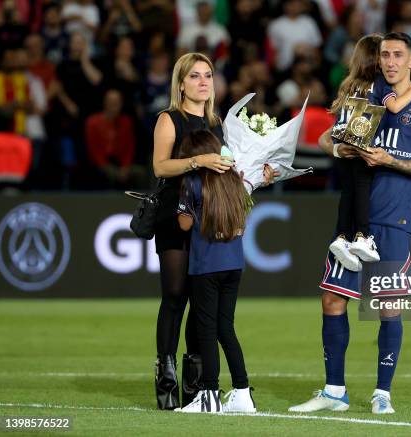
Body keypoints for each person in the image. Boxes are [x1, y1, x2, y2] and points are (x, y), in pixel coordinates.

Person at [289, 32, 411, 415]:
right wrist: (341, 147)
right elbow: (327, 137)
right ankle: (334, 391)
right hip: (354, 220)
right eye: (385, 55)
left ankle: (382, 393)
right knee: (332, 300)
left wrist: (386, 160)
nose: (390, 61)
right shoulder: (370, 93)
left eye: (397, 55)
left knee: (388, 306)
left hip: (394, 219)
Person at [152, 52, 234, 410]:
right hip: (174, 216)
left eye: (208, 75)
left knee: (202, 301)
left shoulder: (218, 124)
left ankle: (194, 377)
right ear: (181, 83)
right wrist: (199, 160)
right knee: (175, 296)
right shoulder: (169, 119)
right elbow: (160, 166)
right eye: (195, 76)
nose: (203, 82)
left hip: (207, 221)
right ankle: (166, 373)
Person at [327, 34, 411, 272]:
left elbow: (334, 123)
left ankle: (342, 239)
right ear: (377, 59)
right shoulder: (378, 83)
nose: (389, 62)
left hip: (343, 146)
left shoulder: (350, 83)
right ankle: (363, 237)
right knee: (362, 192)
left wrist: (335, 148)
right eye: (384, 55)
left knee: (349, 194)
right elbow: (394, 106)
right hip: (361, 145)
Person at [174, 129, 257, 413]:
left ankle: (208, 395)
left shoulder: (192, 181)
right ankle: (243, 393)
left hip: (206, 265)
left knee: (207, 331)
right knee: (226, 329)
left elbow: (184, 224)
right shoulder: (234, 180)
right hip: (234, 264)